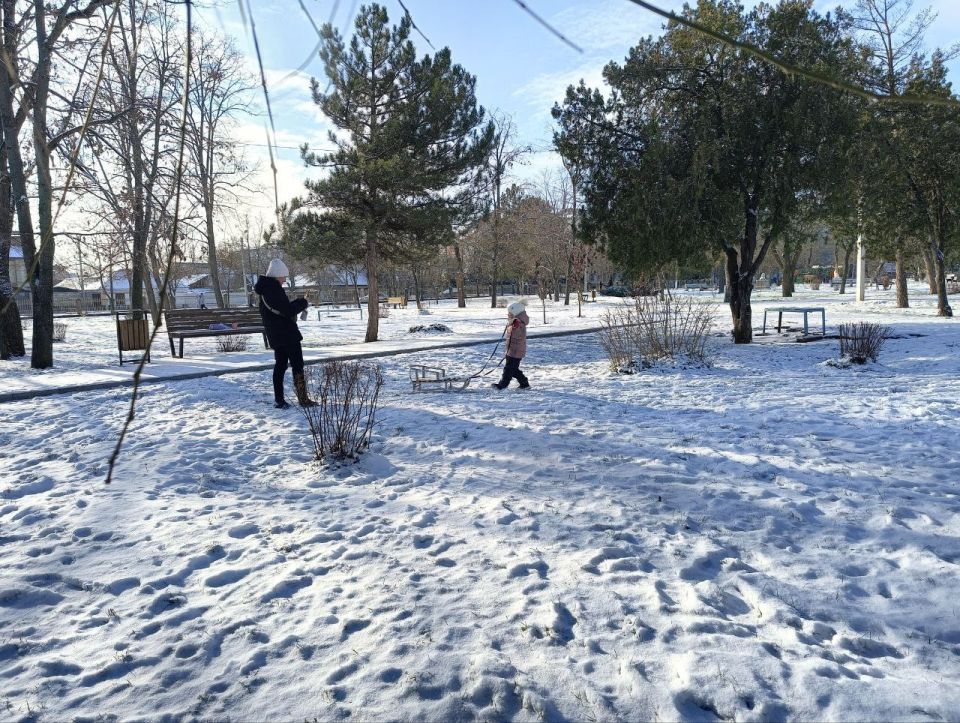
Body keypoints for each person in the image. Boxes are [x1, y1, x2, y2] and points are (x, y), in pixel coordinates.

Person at [253, 259, 316, 409]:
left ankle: (279, 399)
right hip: (286, 334)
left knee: (280, 365)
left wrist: (295, 303)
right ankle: (302, 399)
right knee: (297, 365)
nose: (284, 280)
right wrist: (303, 302)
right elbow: (287, 310)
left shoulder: (266, 289)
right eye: (283, 277)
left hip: (276, 334)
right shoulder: (273, 289)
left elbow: (282, 308)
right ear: (276, 276)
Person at [492, 299, 530, 390]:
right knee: (513, 369)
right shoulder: (515, 322)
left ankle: (502, 385)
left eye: (509, 313)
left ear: (515, 314)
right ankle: (524, 382)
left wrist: (513, 326)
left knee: (508, 369)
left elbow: (517, 335)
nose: (508, 315)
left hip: (516, 351)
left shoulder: (519, 324)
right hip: (512, 349)